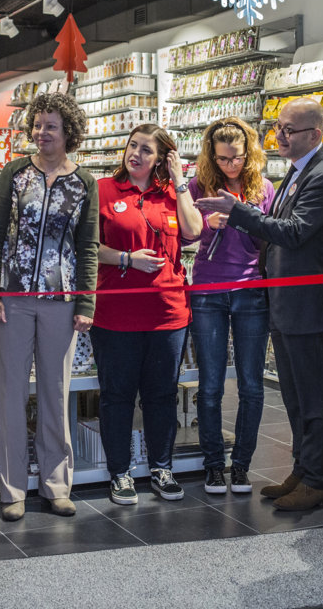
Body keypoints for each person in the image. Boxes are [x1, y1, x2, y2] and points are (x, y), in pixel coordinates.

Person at [196, 97, 323, 512]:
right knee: (296, 396)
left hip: (307, 304)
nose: (279, 136)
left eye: (289, 130)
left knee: (314, 396)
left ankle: (318, 480)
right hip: (285, 302)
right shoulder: (300, 173)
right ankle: (303, 470)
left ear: (315, 134)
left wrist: (238, 213)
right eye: (278, 128)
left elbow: (295, 233)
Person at [0, 92, 99, 522]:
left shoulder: (84, 181)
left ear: (68, 132)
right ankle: (12, 488)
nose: (41, 133)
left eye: (50, 126)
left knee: (56, 391)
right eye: (37, 125)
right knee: (9, 391)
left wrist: (86, 302)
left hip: (61, 301)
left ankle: (56, 484)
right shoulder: (14, 173)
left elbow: (88, 247)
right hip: (10, 298)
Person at [92, 124, 201, 505]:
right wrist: (126, 259)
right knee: (117, 395)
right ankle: (120, 473)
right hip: (115, 313)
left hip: (168, 313)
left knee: (161, 395)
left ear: (162, 158)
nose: (135, 154)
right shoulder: (103, 189)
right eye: (132, 145)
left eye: (147, 150)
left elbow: (194, 231)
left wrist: (180, 181)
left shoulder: (172, 194)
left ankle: (161, 467)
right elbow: (86, 245)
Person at [188, 118, 274, 495]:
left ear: (249, 152)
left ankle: (241, 465)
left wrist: (245, 219)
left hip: (251, 289)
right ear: (211, 155)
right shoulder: (198, 186)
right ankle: (213, 465)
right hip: (208, 288)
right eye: (222, 159)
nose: (230, 166)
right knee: (210, 385)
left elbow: (271, 235)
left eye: (236, 158)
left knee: (252, 385)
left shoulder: (263, 187)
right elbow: (186, 230)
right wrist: (209, 223)